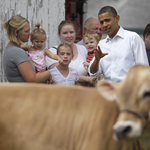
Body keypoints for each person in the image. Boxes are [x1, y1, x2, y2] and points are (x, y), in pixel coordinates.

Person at [88, 6, 149, 83]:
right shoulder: (101, 44)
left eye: (107, 20)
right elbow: (93, 73)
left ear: (117, 18)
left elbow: (143, 69)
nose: (104, 25)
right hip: (109, 92)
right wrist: (97, 59)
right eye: (102, 22)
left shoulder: (133, 38)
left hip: (129, 91)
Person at [3, 15, 51, 83]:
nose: (29, 33)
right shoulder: (17, 52)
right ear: (16, 32)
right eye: (26, 31)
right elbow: (32, 79)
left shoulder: (9, 49)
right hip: (24, 92)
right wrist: (48, 74)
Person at [46, 20, 94, 86]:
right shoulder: (52, 52)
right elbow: (59, 73)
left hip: (83, 92)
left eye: (71, 32)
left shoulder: (84, 49)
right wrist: (89, 79)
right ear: (59, 35)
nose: (69, 35)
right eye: (65, 33)